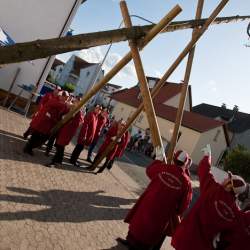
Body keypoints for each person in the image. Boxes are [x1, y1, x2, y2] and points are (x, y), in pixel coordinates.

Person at [171, 144, 247, 250]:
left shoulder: (213, 189)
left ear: (229, 185)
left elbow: (204, 169)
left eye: (228, 179)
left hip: (185, 238)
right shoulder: (235, 212)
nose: (225, 179)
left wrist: (208, 155)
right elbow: (237, 232)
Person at [117, 150, 193, 250]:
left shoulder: (164, 167)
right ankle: (131, 243)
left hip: (148, 204)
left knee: (140, 224)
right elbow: (184, 204)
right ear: (186, 163)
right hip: (162, 213)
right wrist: (177, 211)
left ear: (174, 159)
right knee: (148, 230)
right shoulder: (186, 181)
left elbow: (149, 171)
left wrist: (158, 160)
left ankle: (132, 244)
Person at [23, 91, 69, 155]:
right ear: (61, 96)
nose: (66, 99)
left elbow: (63, 111)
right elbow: (59, 105)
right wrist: (67, 105)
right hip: (41, 123)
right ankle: (28, 148)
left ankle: (28, 148)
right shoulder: (54, 100)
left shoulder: (61, 103)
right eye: (65, 97)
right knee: (36, 136)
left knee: (40, 138)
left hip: (47, 125)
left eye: (67, 97)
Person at [46, 97, 84, 167]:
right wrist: (65, 116)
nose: (75, 102)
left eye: (77, 102)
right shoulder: (72, 109)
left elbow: (77, 123)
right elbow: (63, 114)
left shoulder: (78, 113)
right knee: (60, 147)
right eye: (75, 101)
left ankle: (54, 162)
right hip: (63, 131)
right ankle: (58, 161)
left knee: (60, 147)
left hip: (67, 133)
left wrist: (69, 119)